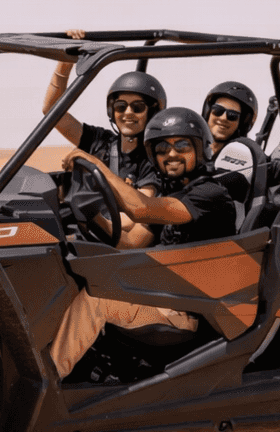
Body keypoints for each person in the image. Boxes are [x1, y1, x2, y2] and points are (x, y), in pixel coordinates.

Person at [47, 107, 236, 379]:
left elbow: (141, 208)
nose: (171, 154)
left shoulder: (209, 195)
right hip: (159, 292)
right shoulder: (175, 193)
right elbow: (128, 242)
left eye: (181, 145)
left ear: (200, 148)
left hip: (187, 310)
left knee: (97, 300)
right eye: (162, 148)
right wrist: (90, 218)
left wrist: (95, 164)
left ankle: (50, 381)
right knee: (72, 274)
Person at [42, 28, 167, 188]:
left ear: (152, 113)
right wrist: (66, 61)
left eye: (137, 107)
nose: (128, 113)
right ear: (111, 111)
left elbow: (141, 209)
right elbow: (51, 111)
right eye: (121, 107)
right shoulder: (100, 141)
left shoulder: (153, 159)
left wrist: (93, 163)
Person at [200, 80, 264, 205]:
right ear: (208, 112)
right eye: (218, 110)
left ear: (242, 123)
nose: (223, 118)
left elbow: (233, 184)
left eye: (232, 115)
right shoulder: (189, 150)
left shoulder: (241, 152)